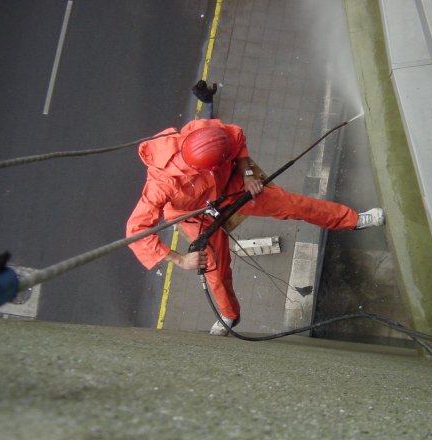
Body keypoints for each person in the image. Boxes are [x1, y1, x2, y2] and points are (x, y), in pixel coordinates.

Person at [126, 119, 384, 336]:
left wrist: (248, 175)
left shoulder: (205, 131)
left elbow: (236, 136)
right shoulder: (161, 185)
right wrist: (182, 260)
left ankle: (352, 220)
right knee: (215, 269)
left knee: (293, 205)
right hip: (198, 216)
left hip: (232, 188)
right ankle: (229, 315)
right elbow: (137, 230)